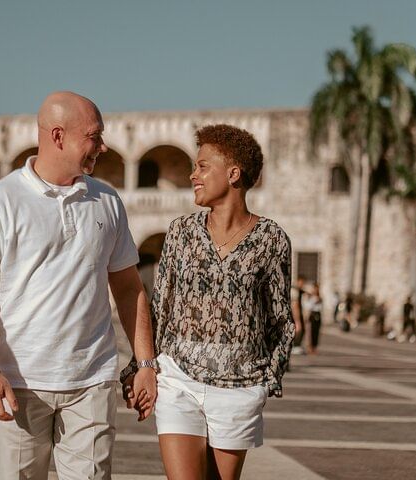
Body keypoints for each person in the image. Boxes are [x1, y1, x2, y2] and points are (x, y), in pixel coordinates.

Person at [0, 91, 157, 480]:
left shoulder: (107, 200)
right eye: (94, 136)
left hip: (91, 380)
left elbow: (129, 287)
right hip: (18, 382)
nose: (103, 146)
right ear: (58, 136)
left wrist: (145, 363)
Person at [123, 124, 294, 480]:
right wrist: (141, 367)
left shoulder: (272, 239)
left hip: (239, 387)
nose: (193, 175)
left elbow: (280, 319)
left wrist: (266, 382)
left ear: (233, 174)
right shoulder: (181, 232)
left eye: (202, 166)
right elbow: (160, 307)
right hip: (178, 379)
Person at [305, 283, 323, 353]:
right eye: (315, 288)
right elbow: (308, 306)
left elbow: (321, 307)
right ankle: (310, 347)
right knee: (311, 332)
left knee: (316, 332)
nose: (316, 290)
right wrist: (314, 301)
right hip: (312, 314)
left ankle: (315, 347)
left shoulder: (320, 297)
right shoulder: (310, 296)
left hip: (318, 314)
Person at [291, 276, 306, 354]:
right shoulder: (295, 292)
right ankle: (295, 346)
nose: (302, 284)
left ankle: (297, 345)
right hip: (296, 313)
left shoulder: (300, 291)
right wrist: (297, 319)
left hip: (299, 313)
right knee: (298, 329)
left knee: (302, 329)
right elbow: (295, 305)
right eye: (301, 282)